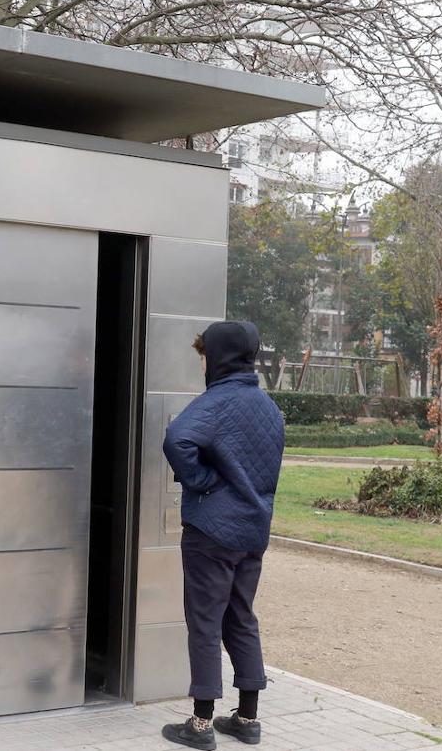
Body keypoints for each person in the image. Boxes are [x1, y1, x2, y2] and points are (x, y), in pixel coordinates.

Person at [159, 321, 285, 750]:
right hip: (253, 531)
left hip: (211, 531)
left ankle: (200, 725)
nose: (203, 363)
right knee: (241, 617)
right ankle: (247, 718)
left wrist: (201, 481)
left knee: (205, 622)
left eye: (204, 355)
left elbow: (177, 437)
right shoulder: (269, 408)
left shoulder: (217, 402)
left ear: (219, 357)